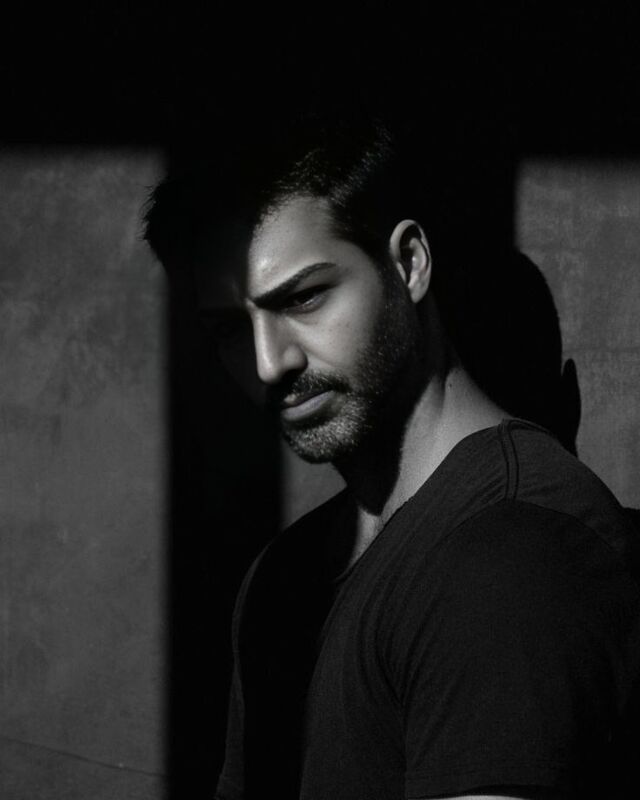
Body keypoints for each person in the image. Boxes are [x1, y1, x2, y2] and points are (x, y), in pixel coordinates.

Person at [144, 113, 640, 800]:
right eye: (231, 327)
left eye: (304, 297)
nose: (268, 363)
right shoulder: (283, 578)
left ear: (409, 264)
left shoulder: (514, 561)